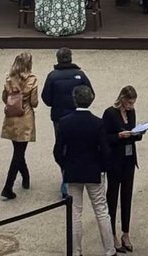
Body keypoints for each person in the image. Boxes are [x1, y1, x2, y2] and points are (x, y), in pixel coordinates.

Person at [53, 84, 116, 256]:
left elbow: (57, 151)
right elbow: (105, 151)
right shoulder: (97, 123)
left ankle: (76, 251)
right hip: (93, 171)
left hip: (73, 171)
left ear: (74, 100)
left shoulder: (65, 122)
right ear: (91, 100)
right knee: (102, 211)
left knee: (75, 213)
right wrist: (102, 168)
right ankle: (110, 250)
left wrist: (65, 165)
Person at [42, 47, 94, 198]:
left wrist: (57, 104)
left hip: (60, 118)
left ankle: (66, 180)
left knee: (62, 147)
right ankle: (80, 175)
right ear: (71, 58)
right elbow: (91, 93)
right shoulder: (80, 74)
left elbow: (46, 98)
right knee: (80, 145)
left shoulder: (52, 76)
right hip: (79, 116)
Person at [103, 85, 143, 253]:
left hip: (128, 159)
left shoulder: (132, 113)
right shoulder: (110, 113)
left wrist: (137, 133)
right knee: (112, 197)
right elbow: (104, 137)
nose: (131, 106)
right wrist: (118, 136)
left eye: (133, 103)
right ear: (122, 99)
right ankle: (111, 233)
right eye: (129, 103)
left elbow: (135, 132)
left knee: (127, 196)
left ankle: (125, 232)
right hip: (115, 160)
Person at [1, 51, 39, 199]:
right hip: (25, 117)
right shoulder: (32, 80)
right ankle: (8, 186)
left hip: (11, 116)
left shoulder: (9, 79)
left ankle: (26, 177)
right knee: (19, 152)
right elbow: (34, 102)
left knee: (17, 149)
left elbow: (4, 98)